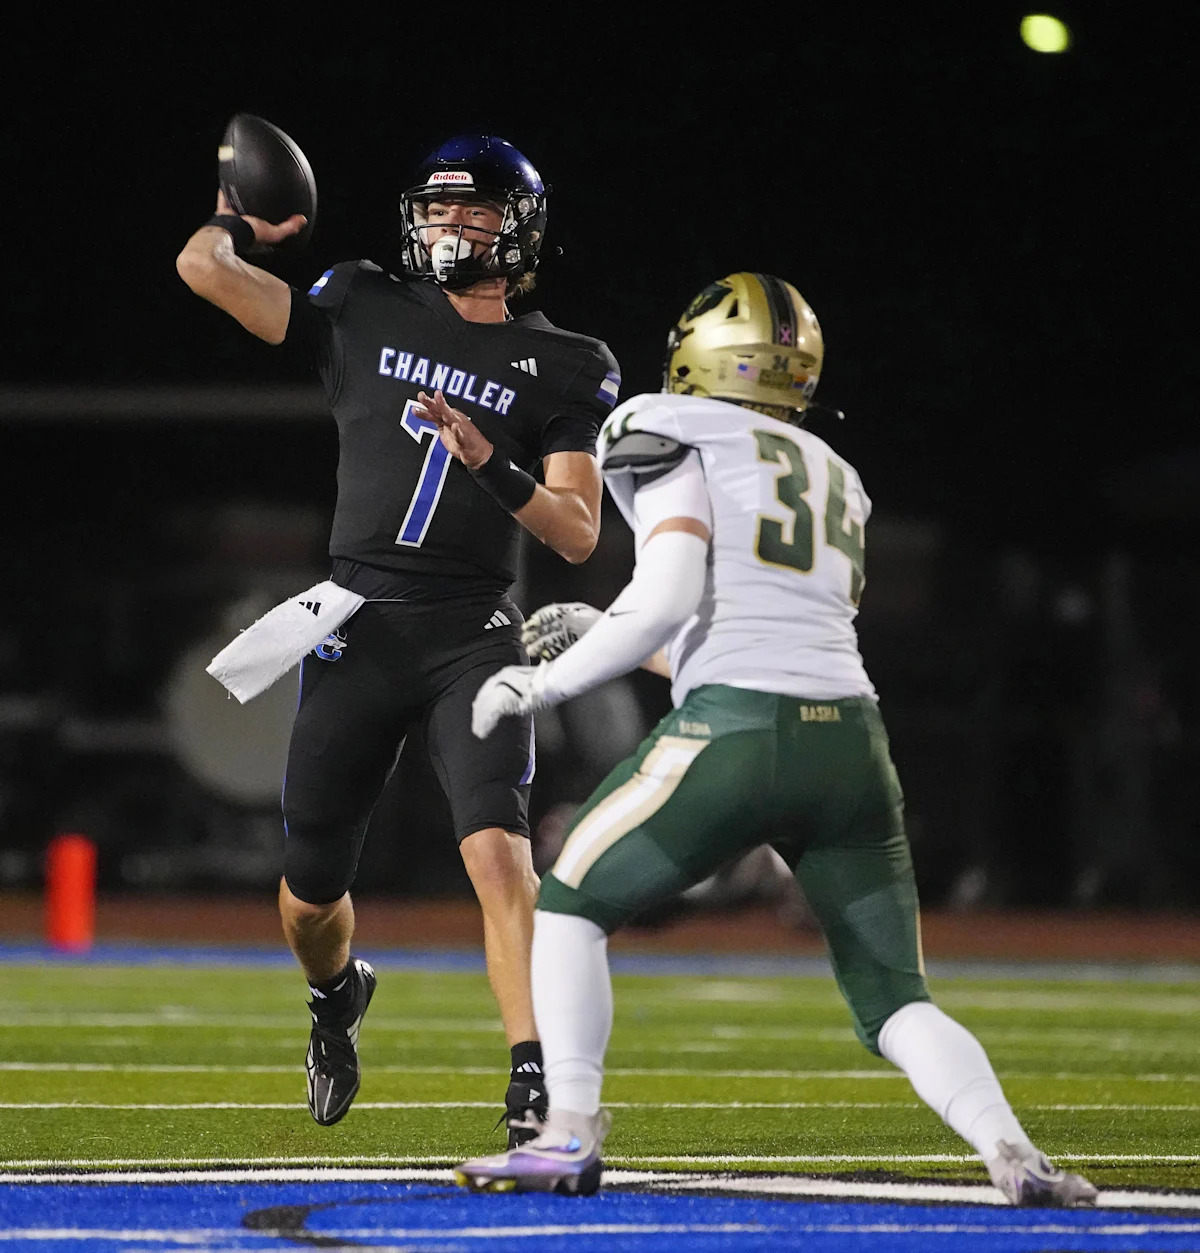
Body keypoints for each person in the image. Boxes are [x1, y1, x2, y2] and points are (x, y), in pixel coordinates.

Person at [452, 272, 1098, 1207]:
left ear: (696, 356)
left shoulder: (664, 425)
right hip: (852, 746)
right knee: (896, 998)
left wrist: (547, 681)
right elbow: (758, 635)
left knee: (568, 904)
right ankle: (1015, 1152)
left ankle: (569, 1134)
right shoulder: (838, 474)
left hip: (740, 730)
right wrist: (609, 636)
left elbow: (672, 595)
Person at [176, 134, 621, 1143]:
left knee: (501, 852)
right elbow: (203, 270)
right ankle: (336, 994)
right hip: (358, 624)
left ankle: (533, 1075)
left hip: (474, 632)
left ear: (520, 230)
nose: (450, 227)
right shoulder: (361, 302)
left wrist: (489, 462)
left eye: (475, 213)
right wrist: (240, 222)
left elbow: (579, 529)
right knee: (308, 889)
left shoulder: (566, 362)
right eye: (438, 209)